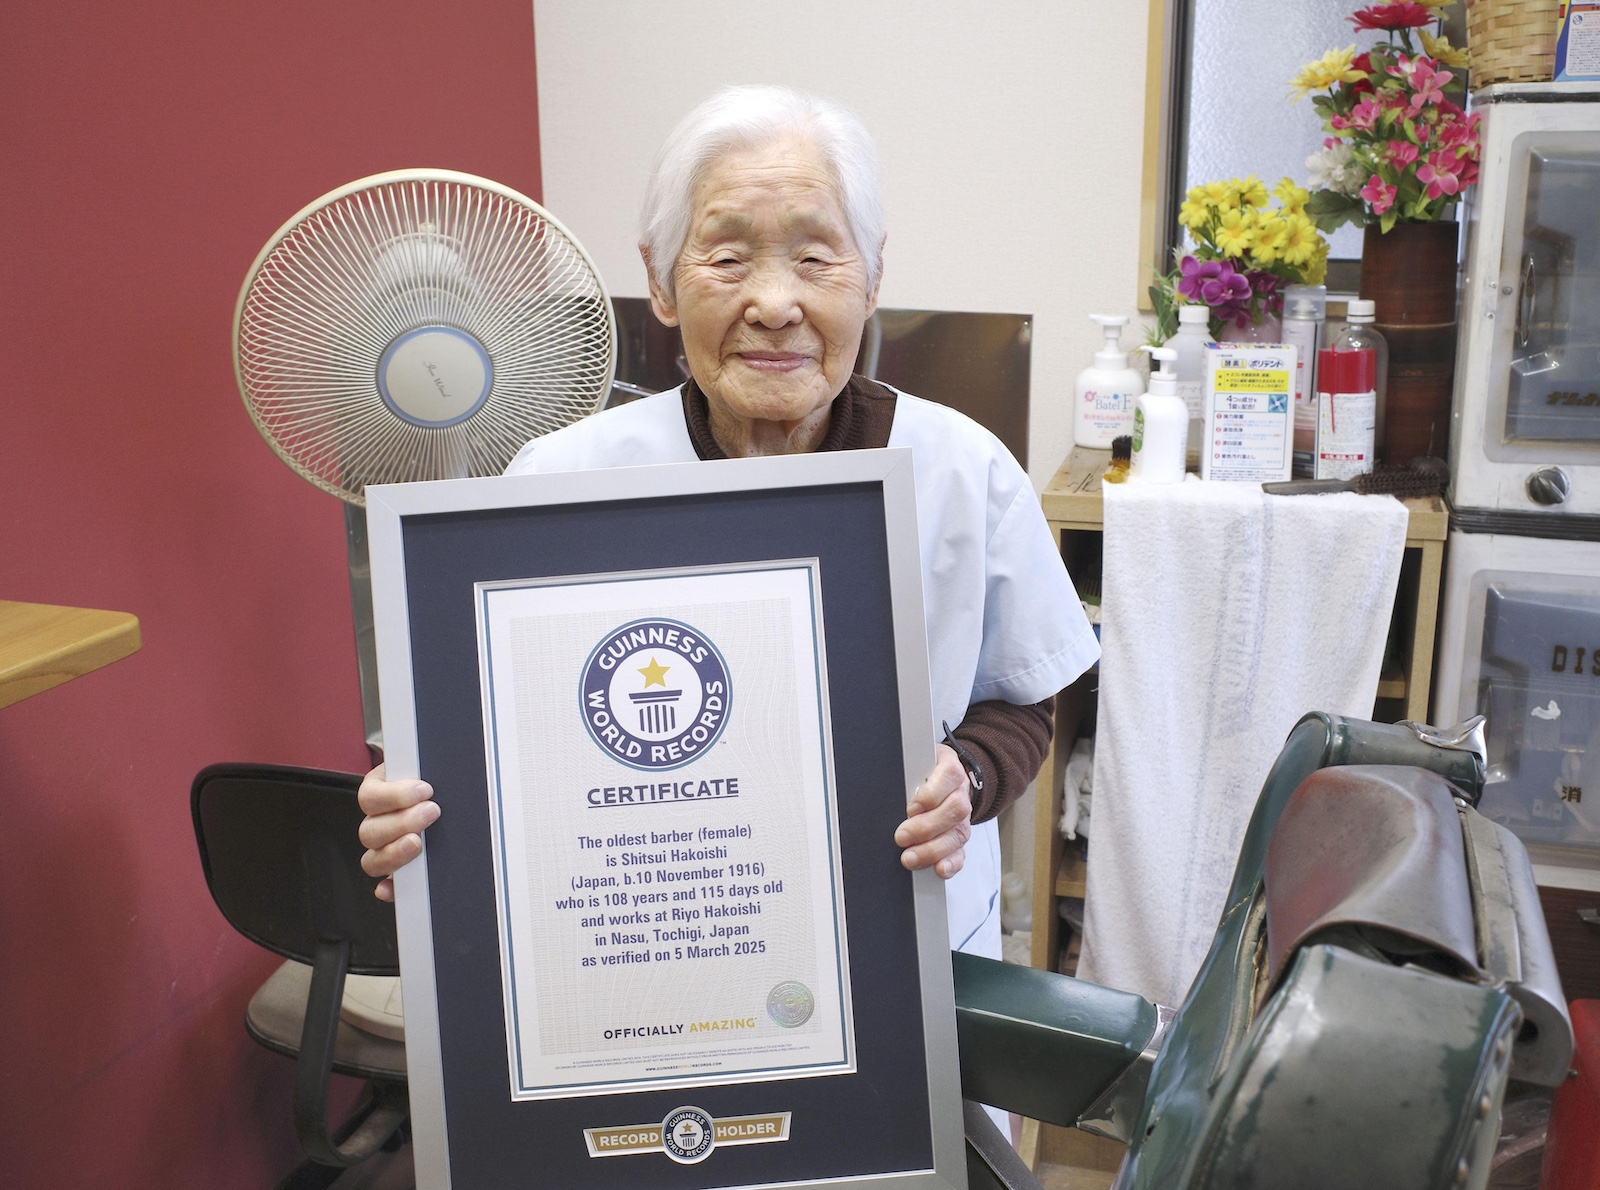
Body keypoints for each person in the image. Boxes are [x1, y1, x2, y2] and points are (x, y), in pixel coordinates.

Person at [357, 84, 1097, 966]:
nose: (775, 304)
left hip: (906, 945)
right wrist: (416, 812)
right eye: (728, 259)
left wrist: (965, 779)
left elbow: (1021, 701)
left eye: (817, 258)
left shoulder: (963, 469)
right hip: (645, 947)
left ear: (874, 275)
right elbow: (487, 738)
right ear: (660, 282)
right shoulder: (558, 481)